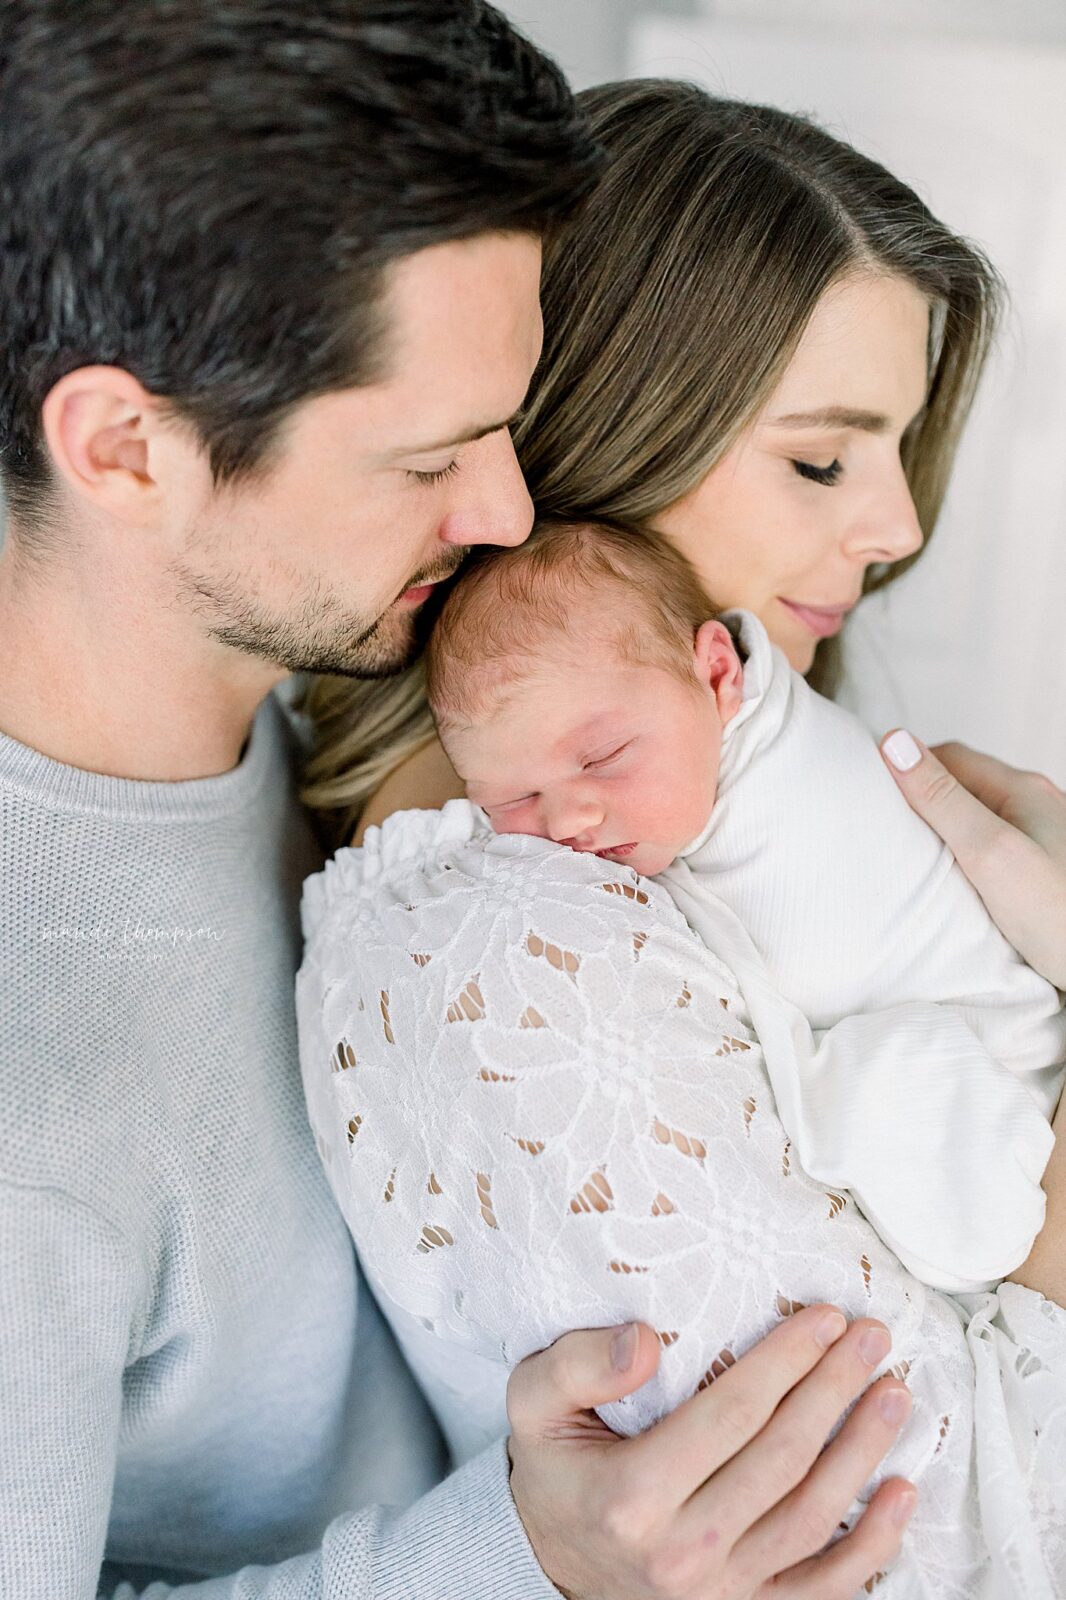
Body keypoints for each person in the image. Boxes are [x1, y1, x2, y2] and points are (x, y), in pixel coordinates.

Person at [298, 78, 1066, 1597]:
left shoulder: (674, 850)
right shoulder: (502, 948)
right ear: (607, 429)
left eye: (898, 449)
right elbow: (939, 1510)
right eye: (820, 456)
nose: (899, 526)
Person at [0, 3, 617, 1596]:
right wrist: (513, 1558)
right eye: (431, 459)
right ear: (129, 447)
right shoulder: (27, 1119)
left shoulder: (329, 666)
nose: (505, 511)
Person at [420, 515, 1063, 1292]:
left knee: (887, 1116)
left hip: (1001, 1062)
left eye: (604, 757)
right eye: (511, 800)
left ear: (720, 674)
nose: (566, 823)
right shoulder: (670, 755)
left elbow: (804, 969)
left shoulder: (791, 776)